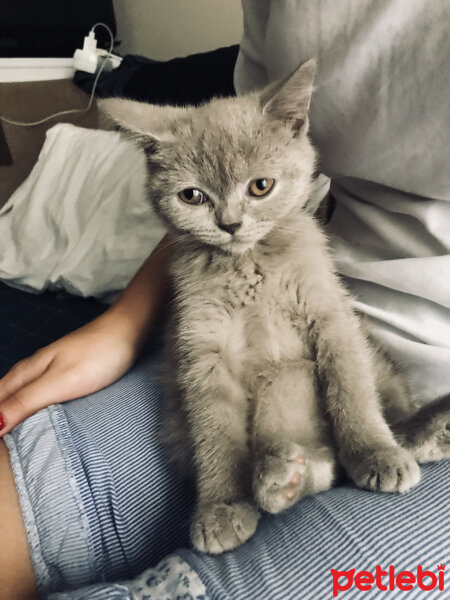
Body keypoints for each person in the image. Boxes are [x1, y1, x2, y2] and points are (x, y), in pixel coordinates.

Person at [1, 1, 449, 598]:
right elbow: (208, 373)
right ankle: (277, 474)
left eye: (258, 188)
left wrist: (368, 442)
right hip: (301, 350)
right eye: (195, 198)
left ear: (296, 126)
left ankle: (366, 445)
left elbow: (330, 331)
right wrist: (121, 326)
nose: (233, 222)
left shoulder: (295, 235)